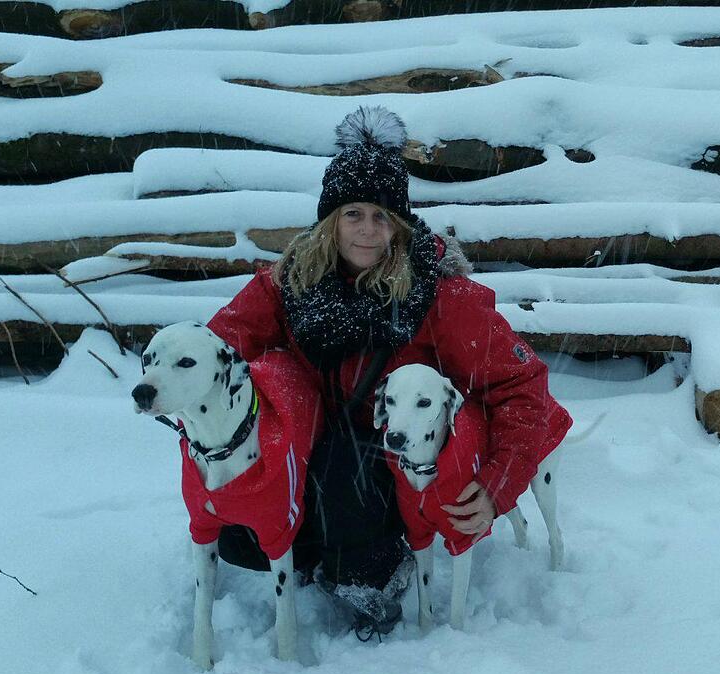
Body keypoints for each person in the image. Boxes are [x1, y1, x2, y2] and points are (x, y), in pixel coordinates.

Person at [205, 105, 573, 637]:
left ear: (399, 225)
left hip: (395, 462)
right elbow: (218, 347)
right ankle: (318, 547)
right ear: (330, 221)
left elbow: (522, 386)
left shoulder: (440, 297)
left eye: (382, 216)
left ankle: (379, 567)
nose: (368, 231)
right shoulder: (289, 283)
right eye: (353, 214)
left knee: (346, 476)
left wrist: (496, 483)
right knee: (242, 538)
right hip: (314, 449)